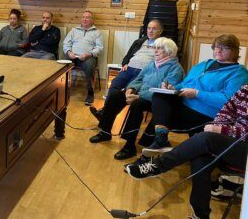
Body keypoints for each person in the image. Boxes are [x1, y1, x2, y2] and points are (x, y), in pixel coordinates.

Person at [125, 84, 248, 219]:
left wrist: (223, 131)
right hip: (231, 141)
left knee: (206, 139)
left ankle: (158, 165)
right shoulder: (245, 89)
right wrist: (218, 125)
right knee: (200, 157)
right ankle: (200, 214)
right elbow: (226, 111)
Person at [143, 34, 248, 154]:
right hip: (184, 104)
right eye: (216, 46)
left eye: (224, 47)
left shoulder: (239, 73)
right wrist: (172, 87)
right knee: (159, 96)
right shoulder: (205, 64)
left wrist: (197, 94)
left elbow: (229, 101)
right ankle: (159, 142)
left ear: (234, 51)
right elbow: (185, 83)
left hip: (204, 114)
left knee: (160, 113)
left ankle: (153, 148)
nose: (218, 50)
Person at [89, 38, 184, 161]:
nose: (155, 51)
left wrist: (138, 96)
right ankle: (105, 132)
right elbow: (139, 79)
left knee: (137, 105)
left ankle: (129, 146)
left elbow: (165, 93)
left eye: (159, 48)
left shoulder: (175, 69)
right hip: (140, 95)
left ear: (169, 51)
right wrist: (130, 89)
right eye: (154, 48)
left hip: (157, 102)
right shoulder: (152, 64)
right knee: (115, 96)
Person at [90, 19, 163, 120]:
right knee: (115, 84)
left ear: (160, 31)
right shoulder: (139, 42)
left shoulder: (163, 45)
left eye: (154, 29)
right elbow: (127, 56)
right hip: (129, 68)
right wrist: (124, 64)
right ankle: (105, 112)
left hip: (144, 72)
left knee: (127, 91)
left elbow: (162, 63)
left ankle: (105, 114)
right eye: (149, 28)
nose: (150, 31)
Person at [63, 10, 103, 105]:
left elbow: (99, 48)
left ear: (92, 20)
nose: (85, 19)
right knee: (61, 65)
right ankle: (62, 89)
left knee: (89, 67)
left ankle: (90, 92)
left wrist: (88, 54)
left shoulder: (97, 32)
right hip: (72, 56)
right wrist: (69, 52)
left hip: (88, 57)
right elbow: (66, 43)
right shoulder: (74, 30)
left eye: (87, 17)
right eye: (83, 17)